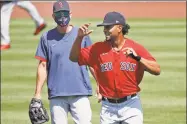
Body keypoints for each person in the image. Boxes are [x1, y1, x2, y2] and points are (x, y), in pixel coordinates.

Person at [69, 11, 161, 124]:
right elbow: (73, 57)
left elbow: (157, 70)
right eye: (104, 27)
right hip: (108, 107)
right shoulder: (97, 49)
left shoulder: (135, 47)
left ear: (119, 28)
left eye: (108, 27)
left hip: (131, 105)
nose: (105, 30)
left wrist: (138, 58)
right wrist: (79, 38)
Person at [32, 0, 95, 124]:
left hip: (80, 91)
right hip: (57, 93)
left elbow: (91, 63)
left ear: (70, 14)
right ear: (53, 16)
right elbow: (43, 65)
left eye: (65, 13)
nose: (62, 17)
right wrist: (37, 93)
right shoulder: (46, 37)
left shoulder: (82, 35)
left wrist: (100, 86)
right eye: (59, 14)